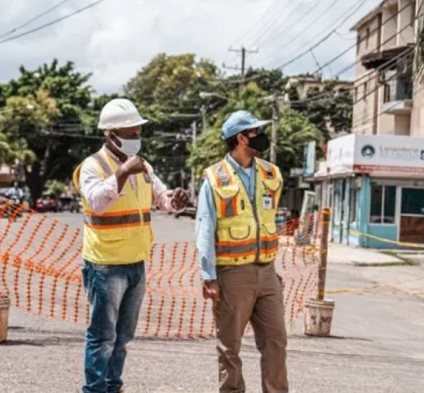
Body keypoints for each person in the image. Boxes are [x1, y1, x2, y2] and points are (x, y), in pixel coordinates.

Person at [72, 98, 188, 393]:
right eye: (131, 134)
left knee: (123, 336)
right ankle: (95, 389)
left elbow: (162, 199)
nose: (137, 140)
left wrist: (174, 199)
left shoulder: (144, 166)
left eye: (138, 134)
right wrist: (123, 172)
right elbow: (96, 202)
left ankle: (113, 386)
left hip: (136, 262)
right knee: (102, 336)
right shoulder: (92, 166)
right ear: (110, 135)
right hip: (105, 264)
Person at [195, 110, 288, 393]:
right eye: (255, 132)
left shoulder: (271, 173)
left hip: (267, 273)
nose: (261, 136)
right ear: (240, 138)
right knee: (230, 347)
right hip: (232, 275)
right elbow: (204, 229)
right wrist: (208, 276)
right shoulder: (214, 178)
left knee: (276, 342)